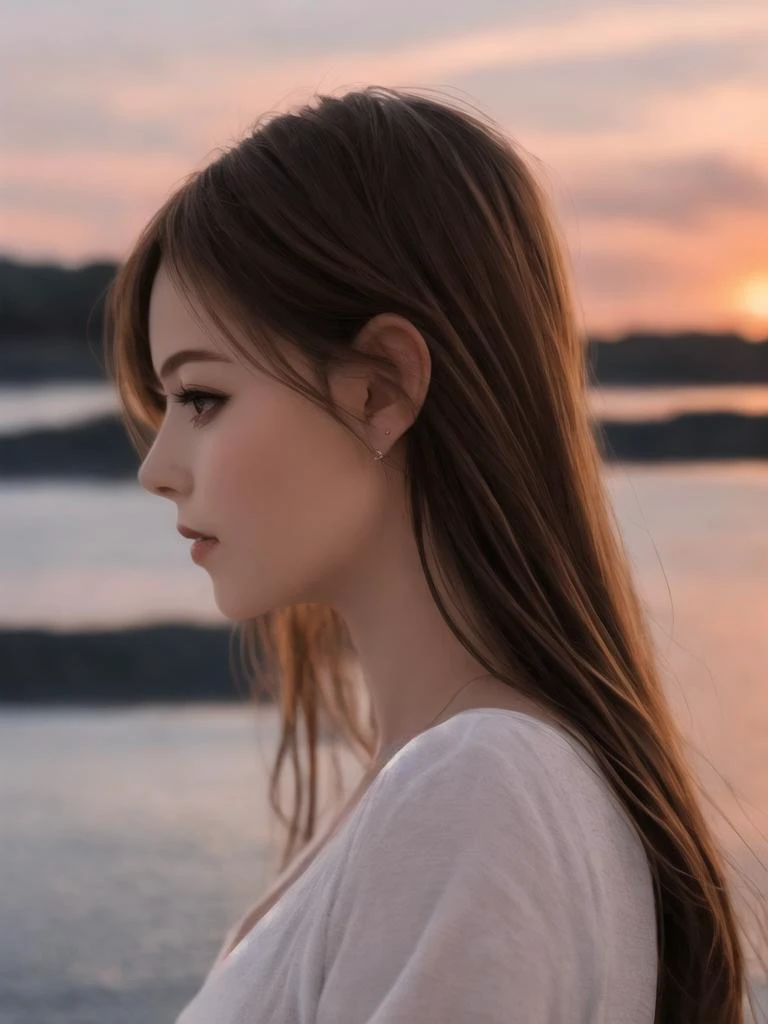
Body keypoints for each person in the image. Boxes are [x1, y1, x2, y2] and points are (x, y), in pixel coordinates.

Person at [103, 86, 759, 1022]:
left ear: (382, 388)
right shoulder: (462, 787)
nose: (159, 469)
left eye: (202, 398)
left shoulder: (475, 791)